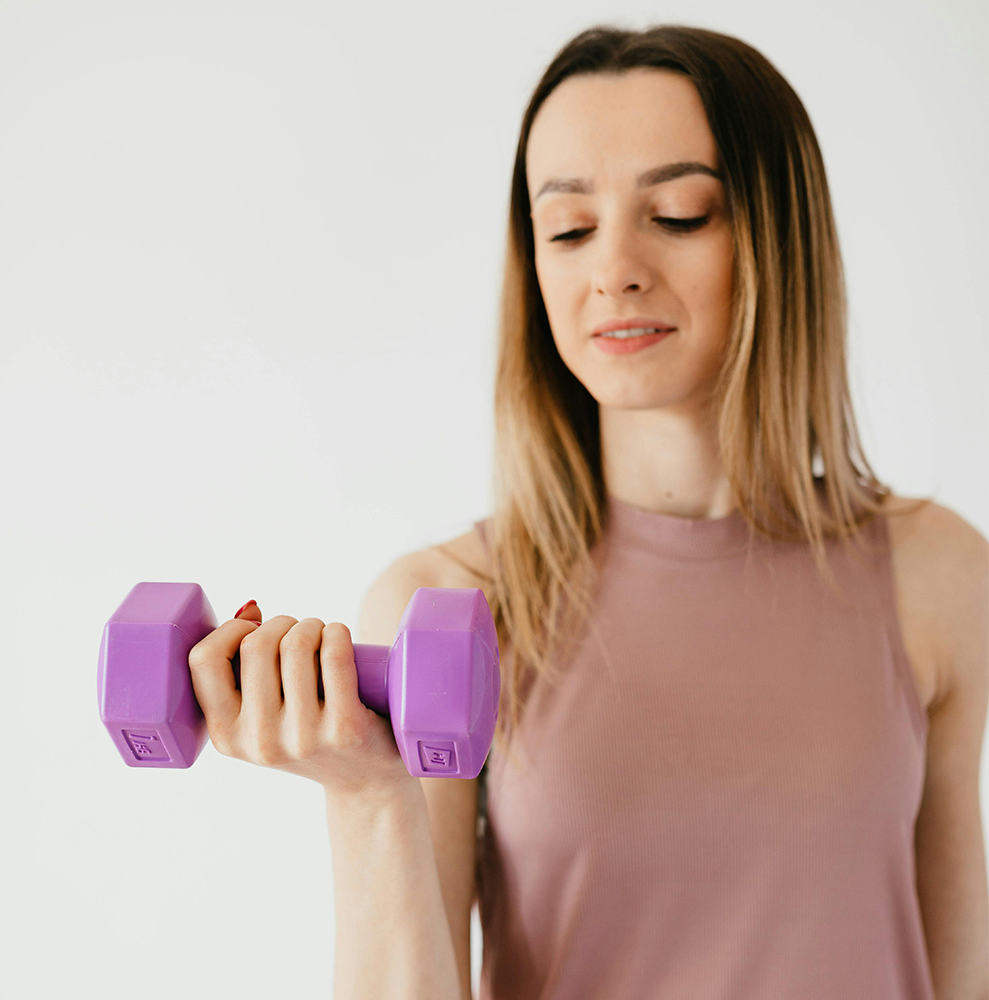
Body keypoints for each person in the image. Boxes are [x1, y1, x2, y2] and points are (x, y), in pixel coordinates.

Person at [189, 22, 989, 1000]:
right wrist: (367, 798)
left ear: (779, 234)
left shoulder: (937, 575)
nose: (612, 267)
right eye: (567, 228)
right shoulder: (448, 601)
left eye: (680, 213)